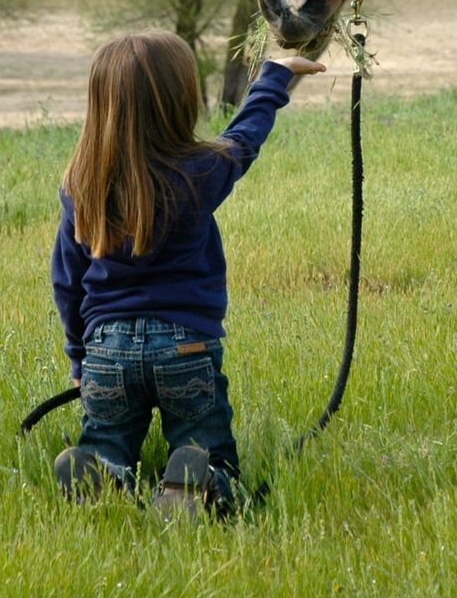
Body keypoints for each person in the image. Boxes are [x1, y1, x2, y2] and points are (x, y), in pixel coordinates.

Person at [50, 31, 323, 518]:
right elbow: (246, 136)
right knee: (212, 451)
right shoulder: (200, 171)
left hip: (106, 351)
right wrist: (274, 76)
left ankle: (105, 473)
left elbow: (67, 282)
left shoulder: (80, 185)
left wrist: (78, 357)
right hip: (185, 348)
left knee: (108, 443)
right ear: (182, 101)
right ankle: (196, 484)